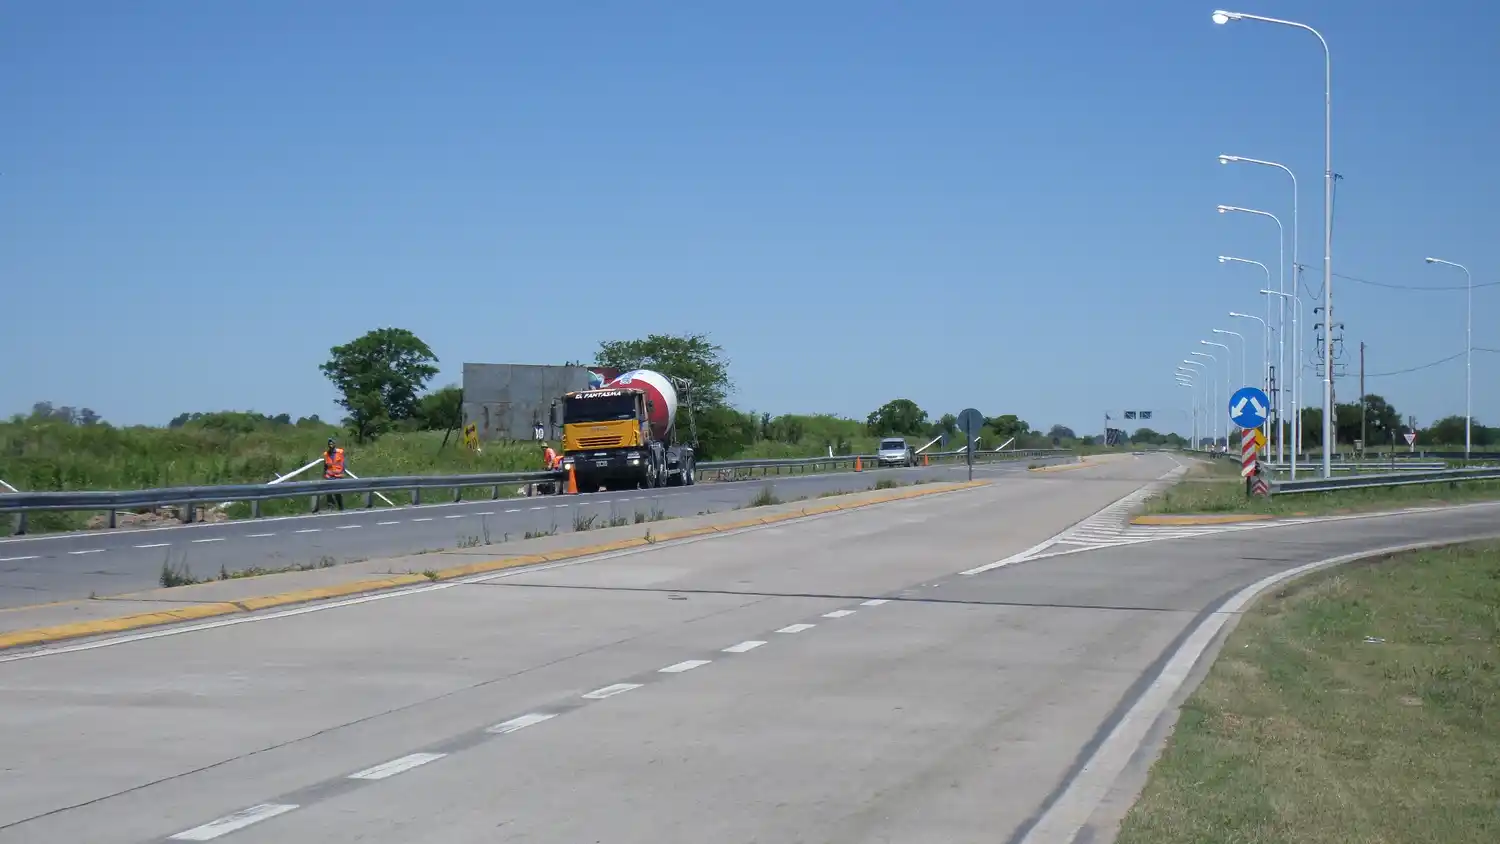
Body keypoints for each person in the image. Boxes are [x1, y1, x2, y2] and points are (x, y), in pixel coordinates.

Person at [323, 437, 346, 511]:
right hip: (329, 475)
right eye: (329, 444)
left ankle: (341, 507)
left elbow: (343, 464)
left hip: (338, 475)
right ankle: (331, 507)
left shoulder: (340, 452)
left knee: (338, 493)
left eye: (332, 443)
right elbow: (325, 465)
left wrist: (342, 472)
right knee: (329, 492)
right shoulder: (326, 454)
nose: (330, 445)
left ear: (335, 444)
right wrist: (325, 474)